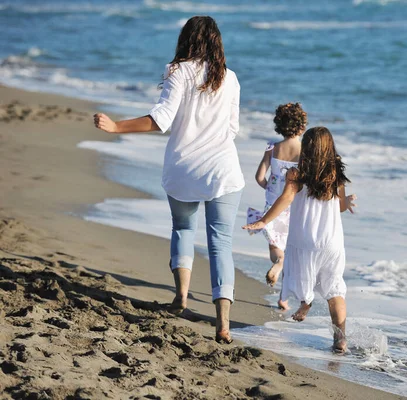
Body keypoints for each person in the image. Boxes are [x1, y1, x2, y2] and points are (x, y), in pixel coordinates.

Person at [93, 16, 244, 344]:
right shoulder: (230, 78)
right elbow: (232, 129)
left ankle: (181, 299)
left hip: (185, 167)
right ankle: (223, 325)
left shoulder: (178, 71)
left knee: (183, 229)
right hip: (223, 168)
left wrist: (117, 127)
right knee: (221, 243)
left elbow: (161, 119)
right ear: (217, 42)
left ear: (186, 39)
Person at [243, 127, 356, 353]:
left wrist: (264, 221)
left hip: (305, 238)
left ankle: (306, 304)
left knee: (299, 274)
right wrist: (348, 202)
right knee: (335, 290)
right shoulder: (336, 176)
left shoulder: (296, 174)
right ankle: (341, 339)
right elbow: (340, 207)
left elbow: (285, 199)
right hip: (332, 241)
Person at [247, 103, 307, 311]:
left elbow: (259, 177)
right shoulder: (304, 152)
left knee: (275, 246)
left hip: (273, 205)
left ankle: (277, 263)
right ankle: (284, 297)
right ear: (302, 128)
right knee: (292, 251)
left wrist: (269, 188)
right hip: (295, 207)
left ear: (279, 126)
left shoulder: (272, 148)